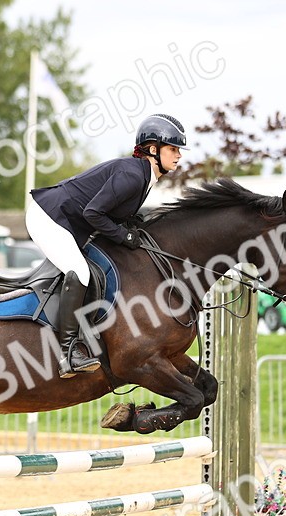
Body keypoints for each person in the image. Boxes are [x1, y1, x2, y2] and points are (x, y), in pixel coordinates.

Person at [28, 113, 185, 378]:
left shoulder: (143, 176)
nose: (179, 155)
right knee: (80, 271)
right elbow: (93, 213)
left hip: (68, 221)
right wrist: (124, 237)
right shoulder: (133, 176)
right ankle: (68, 353)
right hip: (48, 217)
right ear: (153, 149)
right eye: (173, 149)